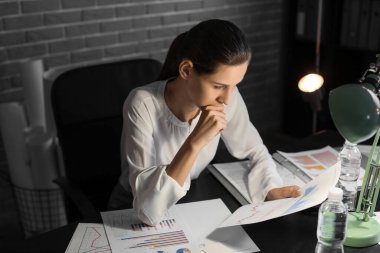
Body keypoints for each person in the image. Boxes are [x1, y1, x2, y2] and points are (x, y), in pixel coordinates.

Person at [108, 19, 301, 226]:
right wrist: (195, 142)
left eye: (234, 85)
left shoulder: (228, 96)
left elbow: (255, 149)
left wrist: (269, 187)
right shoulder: (142, 103)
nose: (227, 99)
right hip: (131, 209)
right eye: (218, 86)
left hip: (189, 203)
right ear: (186, 70)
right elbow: (149, 212)